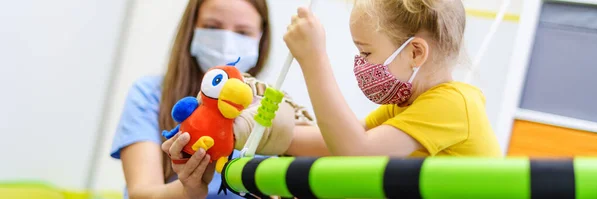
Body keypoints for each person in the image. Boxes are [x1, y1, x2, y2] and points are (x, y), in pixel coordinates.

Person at [109, 0, 314, 198]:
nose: (227, 41)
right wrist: (188, 191)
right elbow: (142, 193)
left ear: (261, 39)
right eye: (213, 27)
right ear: (192, 29)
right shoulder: (149, 94)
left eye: (242, 32)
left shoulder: (269, 108)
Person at [281, 0, 502, 157]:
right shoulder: (407, 106)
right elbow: (337, 140)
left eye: (366, 53)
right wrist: (268, 134)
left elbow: (356, 152)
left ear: (415, 53)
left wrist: (313, 59)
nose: (360, 63)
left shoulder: (453, 104)